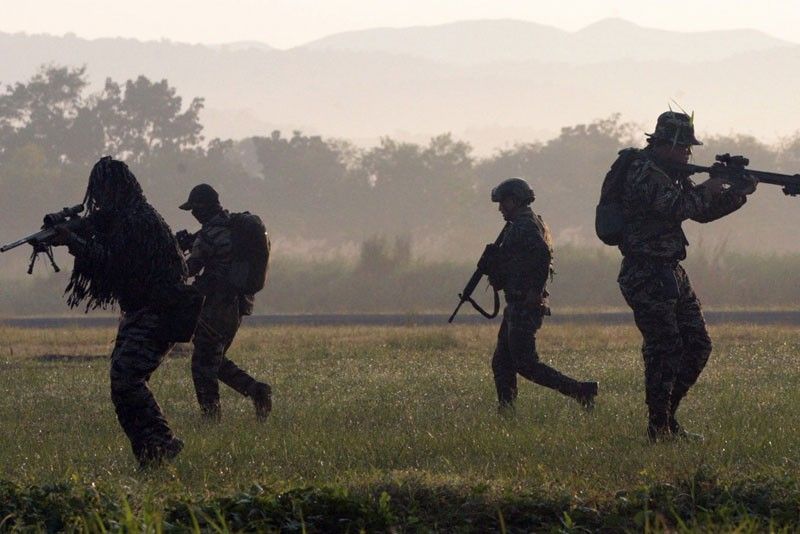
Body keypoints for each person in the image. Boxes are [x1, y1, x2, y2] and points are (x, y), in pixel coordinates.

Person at [617, 111, 757, 441]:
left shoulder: (668, 172)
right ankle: (658, 428)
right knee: (664, 348)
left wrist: (738, 193)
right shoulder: (644, 173)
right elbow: (679, 207)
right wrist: (712, 183)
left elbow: (701, 212)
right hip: (646, 271)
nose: (688, 155)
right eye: (684, 148)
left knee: (697, 345)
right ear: (667, 143)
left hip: (669, 269)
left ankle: (666, 419)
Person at [53, 157, 193, 467]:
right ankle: (150, 455)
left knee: (127, 380)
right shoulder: (126, 217)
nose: (98, 200)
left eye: (102, 191)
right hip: (143, 310)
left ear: (115, 189)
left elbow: (112, 261)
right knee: (122, 383)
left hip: (158, 310)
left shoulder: (137, 221)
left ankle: (161, 443)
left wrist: (73, 240)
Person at [482, 178, 598, 413]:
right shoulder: (519, 224)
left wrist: (534, 292)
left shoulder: (525, 224)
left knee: (525, 363)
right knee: (502, 363)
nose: (500, 208)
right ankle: (507, 412)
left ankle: (580, 391)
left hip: (525, 304)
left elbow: (542, 256)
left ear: (515, 201)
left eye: (504, 203)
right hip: (517, 303)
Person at [178, 184, 272, 421]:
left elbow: (188, 270)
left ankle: (211, 419)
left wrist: (174, 253)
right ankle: (256, 390)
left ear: (201, 208)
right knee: (213, 360)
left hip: (218, 306)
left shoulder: (209, 235)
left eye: (194, 210)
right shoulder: (231, 226)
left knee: (202, 364)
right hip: (238, 305)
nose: (193, 214)